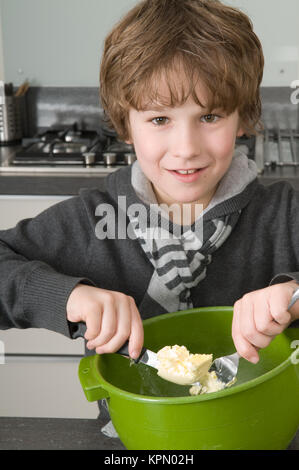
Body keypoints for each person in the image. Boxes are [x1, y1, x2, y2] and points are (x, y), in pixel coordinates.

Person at [0, 0, 298, 371]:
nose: (186, 148)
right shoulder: (95, 221)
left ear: (243, 118)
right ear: (126, 126)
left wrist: (294, 294)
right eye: (159, 119)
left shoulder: (284, 215)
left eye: (209, 116)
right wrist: (67, 297)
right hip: (131, 430)